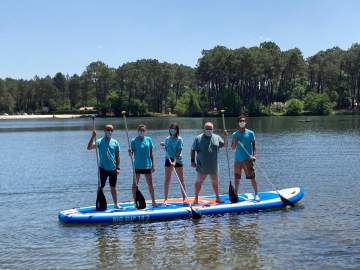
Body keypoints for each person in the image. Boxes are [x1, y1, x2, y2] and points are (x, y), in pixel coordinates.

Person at [191, 121, 228, 204]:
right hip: (202, 166)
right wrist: (192, 161)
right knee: (198, 182)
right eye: (207, 128)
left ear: (213, 129)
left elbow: (225, 145)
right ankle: (196, 199)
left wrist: (225, 137)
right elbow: (193, 149)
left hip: (213, 165)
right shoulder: (198, 138)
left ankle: (218, 198)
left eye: (210, 129)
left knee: (215, 182)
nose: (209, 130)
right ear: (204, 129)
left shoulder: (217, 137)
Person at [87, 124, 121, 209]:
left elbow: (118, 156)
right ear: (104, 131)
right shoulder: (99, 141)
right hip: (102, 168)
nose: (109, 131)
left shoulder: (115, 142)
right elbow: (89, 147)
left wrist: (118, 168)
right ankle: (99, 203)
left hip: (113, 169)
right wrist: (92, 136)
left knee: (113, 187)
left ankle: (116, 204)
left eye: (111, 130)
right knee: (100, 187)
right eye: (107, 129)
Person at [231, 115, 260, 202]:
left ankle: (257, 194)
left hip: (248, 159)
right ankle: (235, 194)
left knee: (252, 178)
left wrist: (254, 155)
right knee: (237, 178)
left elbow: (254, 145)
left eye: (243, 121)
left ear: (245, 122)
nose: (242, 122)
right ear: (238, 123)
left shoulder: (250, 133)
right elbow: (232, 148)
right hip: (237, 160)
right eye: (240, 121)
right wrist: (235, 142)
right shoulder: (235, 134)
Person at [129, 124, 157, 207]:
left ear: (145, 131)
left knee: (150, 184)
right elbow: (131, 154)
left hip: (147, 165)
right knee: (134, 185)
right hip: (137, 166)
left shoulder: (149, 139)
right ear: (138, 131)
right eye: (140, 130)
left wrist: (153, 165)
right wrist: (129, 152)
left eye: (143, 130)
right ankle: (135, 202)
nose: (141, 132)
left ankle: (153, 201)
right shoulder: (133, 141)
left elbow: (151, 153)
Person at [160, 123, 186, 205]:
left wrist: (174, 161)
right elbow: (167, 148)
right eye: (171, 128)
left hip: (177, 160)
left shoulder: (179, 139)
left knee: (181, 180)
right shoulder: (167, 139)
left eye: (174, 129)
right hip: (168, 159)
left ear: (177, 130)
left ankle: (184, 198)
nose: (172, 130)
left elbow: (179, 151)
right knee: (167, 179)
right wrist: (164, 145)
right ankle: (165, 198)